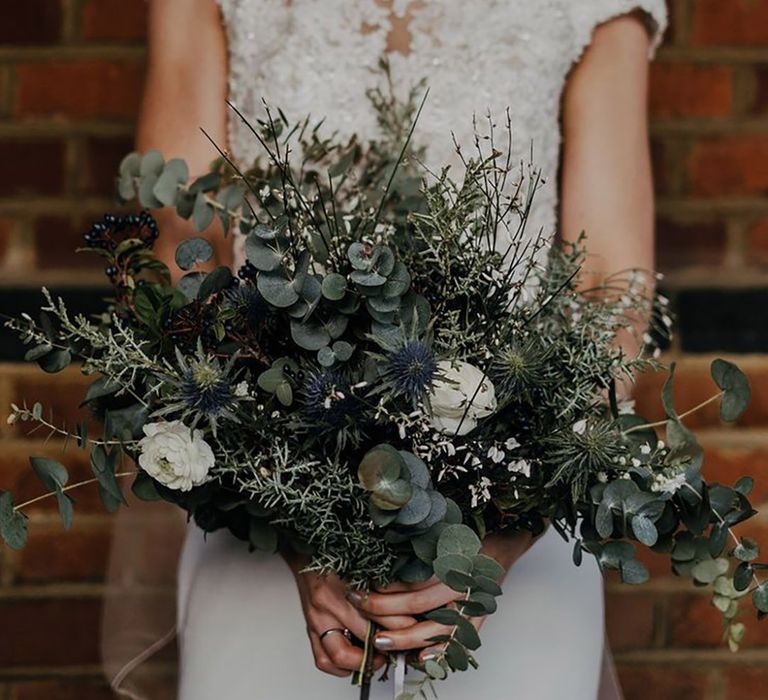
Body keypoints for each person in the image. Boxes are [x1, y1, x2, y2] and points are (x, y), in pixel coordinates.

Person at [129, 1, 667, 697]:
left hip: (516, 526)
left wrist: (501, 534)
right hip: (267, 508)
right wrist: (296, 525)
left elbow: (607, 288)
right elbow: (181, 250)